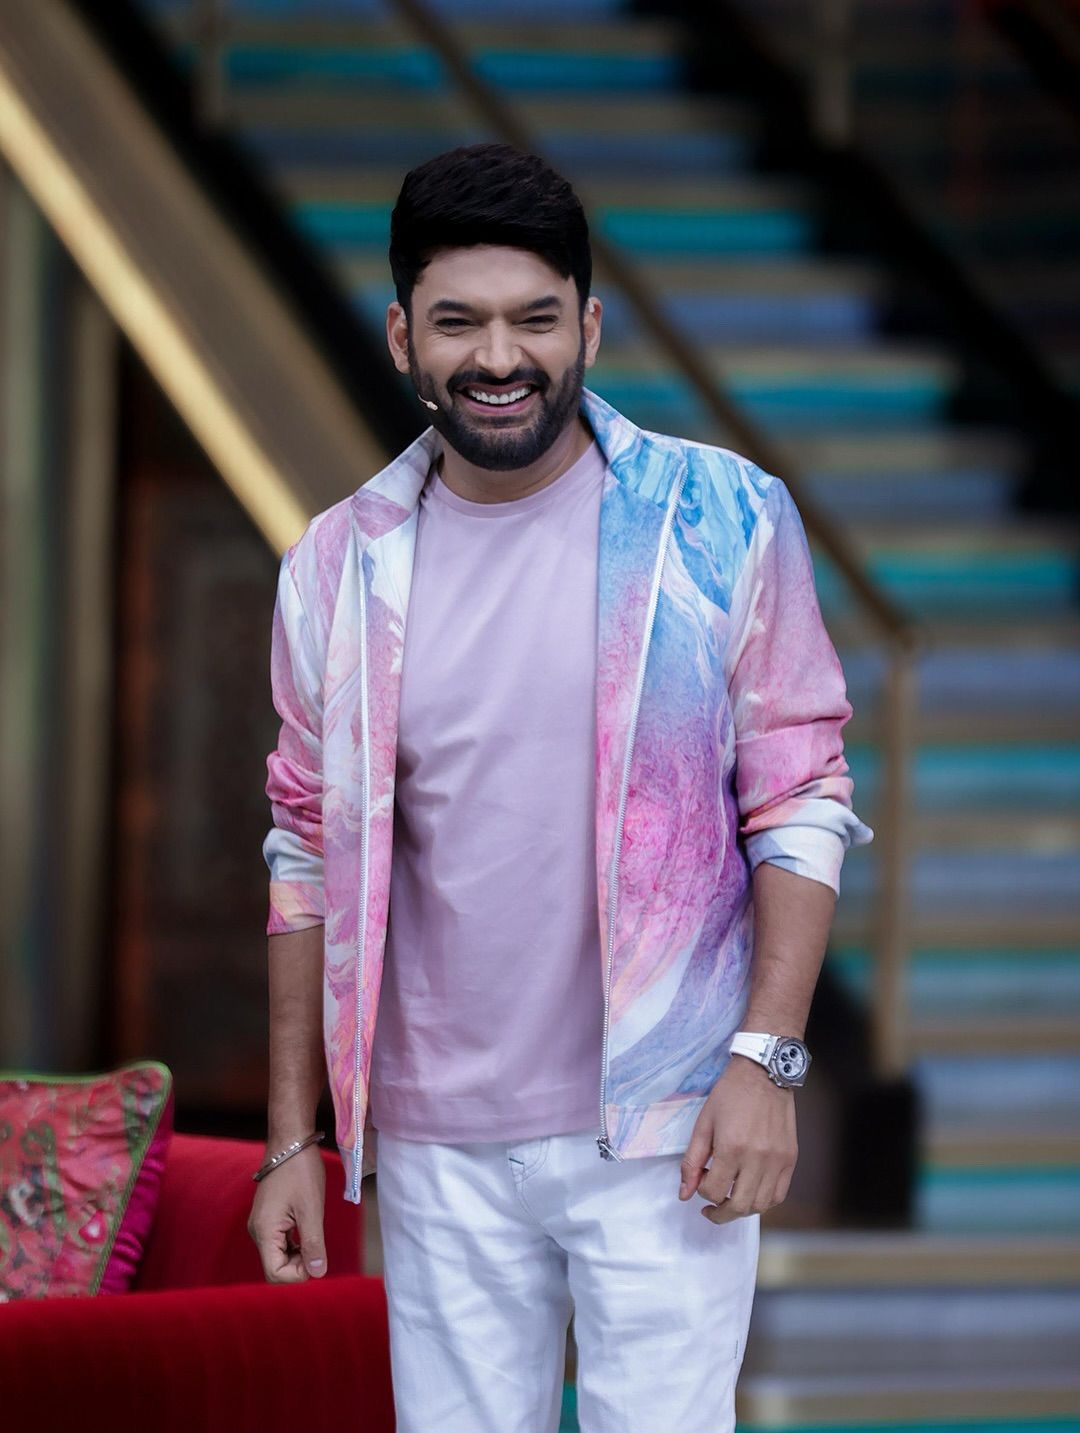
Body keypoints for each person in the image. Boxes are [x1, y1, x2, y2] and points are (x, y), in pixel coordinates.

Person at [247, 143, 873, 1433]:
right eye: (457, 322)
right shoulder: (337, 566)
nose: (500, 357)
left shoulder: (718, 518)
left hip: (666, 1124)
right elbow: (301, 852)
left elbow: (799, 799)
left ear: (587, 326)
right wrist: (293, 1140)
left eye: (535, 318)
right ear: (402, 338)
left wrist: (766, 1062)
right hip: (435, 1143)